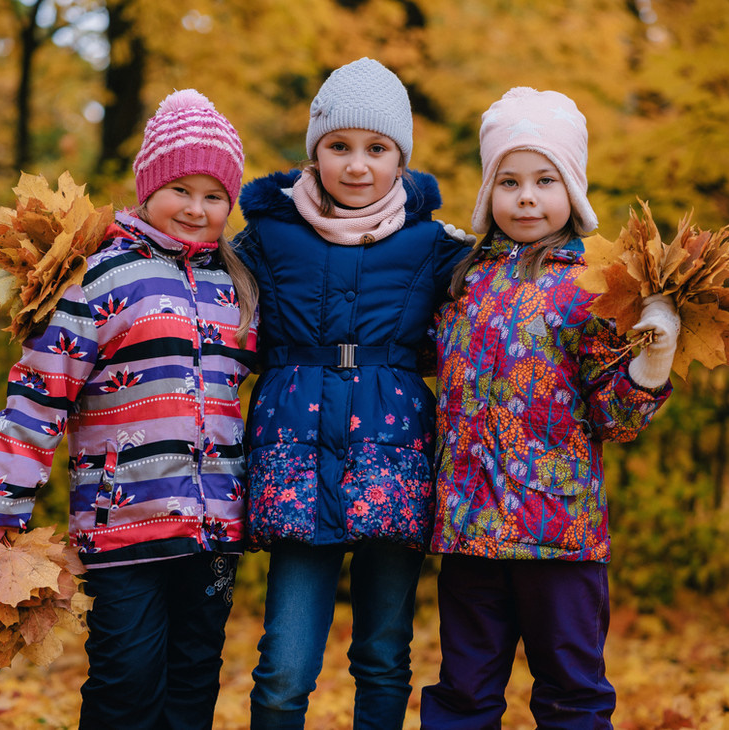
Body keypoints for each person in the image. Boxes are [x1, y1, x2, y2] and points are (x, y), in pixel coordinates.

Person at [0, 89, 257, 729]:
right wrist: (1, 496)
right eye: (182, 189)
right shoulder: (103, 277)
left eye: (215, 196)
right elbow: (41, 390)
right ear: (149, 188)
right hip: (124, 525)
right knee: (127, 680)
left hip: (213, 532)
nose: (197, 208)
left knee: (195, 678)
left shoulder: (236, 287)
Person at [419, 87, 680, 729]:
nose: (527, 197)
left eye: (545, 179)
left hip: (558, 533)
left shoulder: (592, 288)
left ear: (573, 191)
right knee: (464, 692)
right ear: (488, 192)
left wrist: (651, 361)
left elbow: (615, 420)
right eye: (509, 181)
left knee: (571, 691)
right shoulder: (460, 282)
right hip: (470, 529)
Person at [234, 57, 467, 729]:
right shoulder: (267, 239)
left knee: (385, 654)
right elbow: (209, 302)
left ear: (401, 159)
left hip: (390, 462)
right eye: (339, 146)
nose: (357, 165)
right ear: (315, 152)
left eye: (377, 149)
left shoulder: (436, 246)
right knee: (283, 665)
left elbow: (498, 307)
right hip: (296, 464)